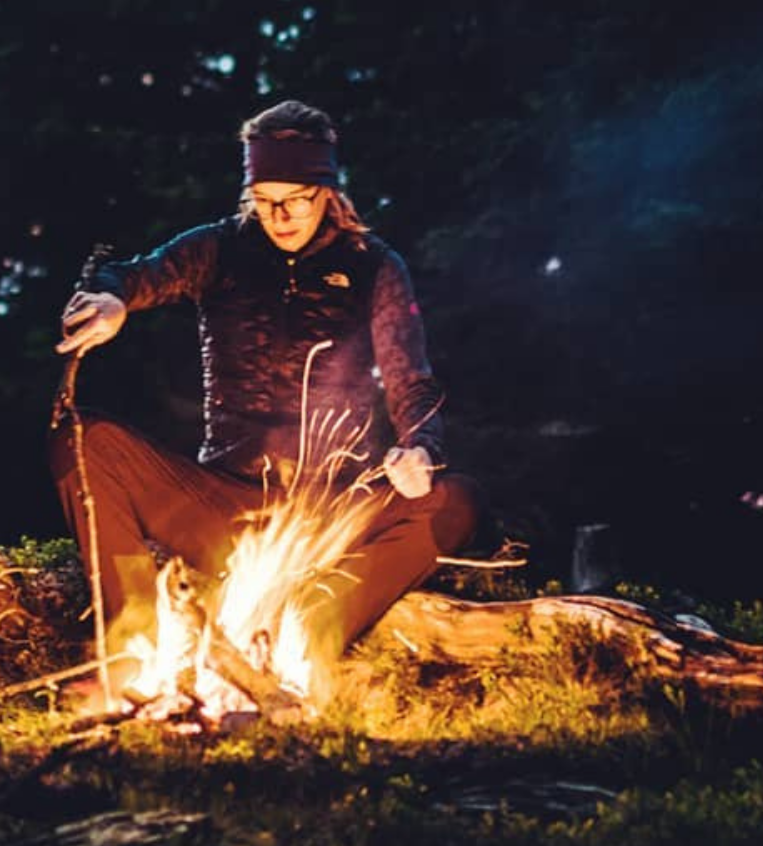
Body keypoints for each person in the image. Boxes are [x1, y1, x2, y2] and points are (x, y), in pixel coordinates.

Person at [53, 99, 481, 693]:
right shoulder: (219, 249)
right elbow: (137, 273)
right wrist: (111, 298)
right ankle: (132, 648)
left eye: (296, 199)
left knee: (455, 501)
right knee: (83, 441)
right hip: (225, 507)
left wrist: (420, 448)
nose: (279, 216)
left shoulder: (374, 267)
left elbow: (413, 381)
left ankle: (312, 628)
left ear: (327, 191)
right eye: (264, 198)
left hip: (334, 510)